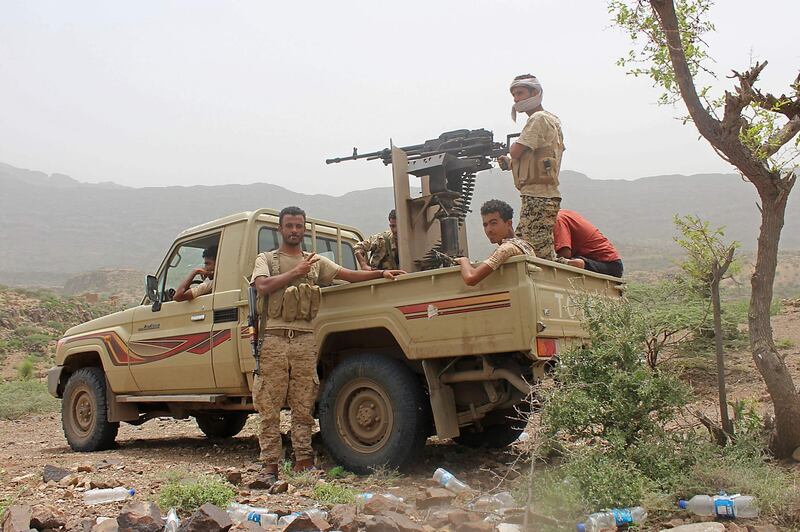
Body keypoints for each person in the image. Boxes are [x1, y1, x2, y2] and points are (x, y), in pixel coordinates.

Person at [250, 206, 405, 482]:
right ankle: (269, 465)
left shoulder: (315, 262)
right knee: (269, 405)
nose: (294, 231)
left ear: (304, 228)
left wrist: (381, 275)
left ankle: (304, 460)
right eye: (289, 226)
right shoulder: (267, 259)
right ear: (280, 229)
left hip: (304, 339)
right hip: (273, 339)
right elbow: (262, 287)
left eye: (299, 226)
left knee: (303, 403)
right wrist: (296, 271)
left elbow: (347, 275)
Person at [497, 73, 566, 263]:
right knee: (532, 246)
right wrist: (510, 163)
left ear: (535, 92)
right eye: (514, 96)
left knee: (531, 250)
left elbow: (517, 150)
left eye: (520, 93)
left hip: (538, 197)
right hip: (539, 195)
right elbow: (536, 160)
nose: (516, 99)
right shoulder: (551, 119)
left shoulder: (538, 119)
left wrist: (510, 153)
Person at [454, 199, 535, 286]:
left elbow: (470, 278)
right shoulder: (525, 245)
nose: (489, 230)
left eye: (493, 223)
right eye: (485, 225)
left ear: (509, 223)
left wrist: (464, 260)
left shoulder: (506, 249)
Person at [554, 210, 623, 278]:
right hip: (610, 263)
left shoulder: (558, 219)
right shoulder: (565, 213)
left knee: (567, 262)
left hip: (608, 265)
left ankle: (581, 264)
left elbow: (565, 254)